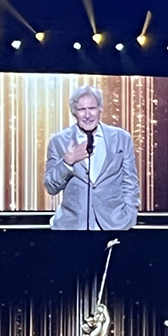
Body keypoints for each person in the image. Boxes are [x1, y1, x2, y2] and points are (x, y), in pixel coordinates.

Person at [43, 84, 141, 230]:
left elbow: (130, 181)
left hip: (115, 225)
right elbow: (51, 187)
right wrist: (67, 162)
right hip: (72, 227)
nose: (88, 115)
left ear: (100, 109)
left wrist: (130, 214)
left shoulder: (121, 138)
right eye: (82, 109)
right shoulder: (59, 141)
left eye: (92, 108)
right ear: (74, 112)